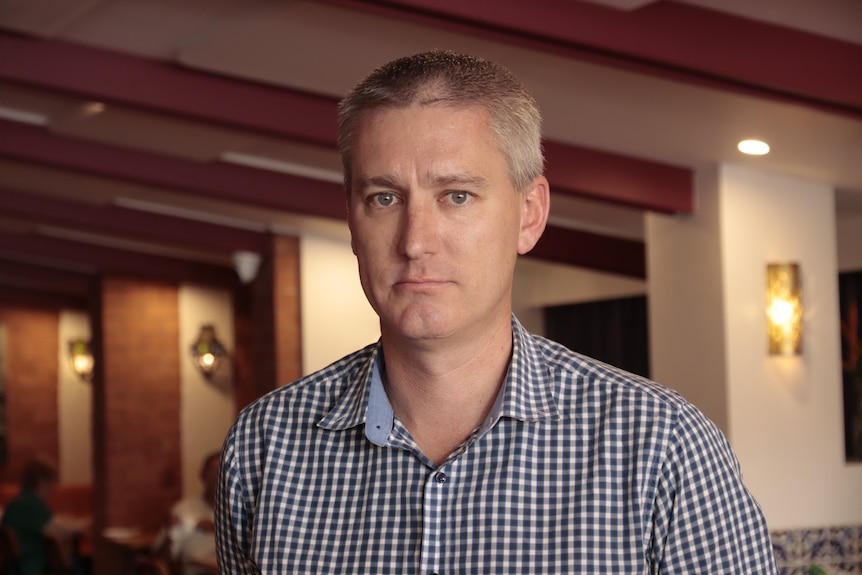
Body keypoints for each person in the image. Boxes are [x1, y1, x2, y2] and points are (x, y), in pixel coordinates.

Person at [215, 50, 778, 573]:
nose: (415, 241)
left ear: (529, 214)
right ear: (352, 221)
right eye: (384, 197)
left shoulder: (661, 446)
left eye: (457, 195)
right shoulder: (266, 446)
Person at [0, 457, 90, 575]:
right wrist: (85, 526)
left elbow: (51, 524)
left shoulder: (15, 504)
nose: (55, 487)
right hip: (32, 568)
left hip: (14, 569)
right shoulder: (31, 505)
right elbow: (58, 530)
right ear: (42, 481)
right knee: (85, 564)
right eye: (53, 481)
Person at [154, 452, 219, 575]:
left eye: (221, 469)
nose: (216, 475)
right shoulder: (183, 510)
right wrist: (170, 533)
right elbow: (161, 557)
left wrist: (217, 530)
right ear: (202, 475)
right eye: (212, 470)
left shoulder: (241, 510)